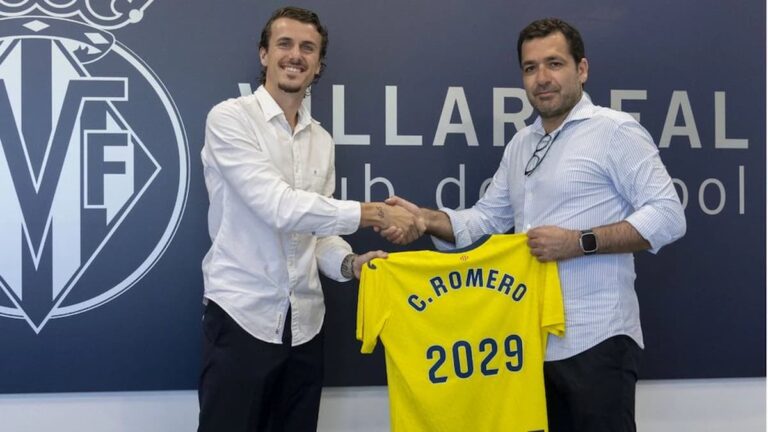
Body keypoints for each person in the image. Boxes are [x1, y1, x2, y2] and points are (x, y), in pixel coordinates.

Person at [383, 18, 686, 432]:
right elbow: (487, 219)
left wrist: (579, 242)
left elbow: (668, 215)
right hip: (530, 344)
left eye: (554, 64)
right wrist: (424, 219)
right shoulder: (522, 144)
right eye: (530, 68)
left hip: (598, 338)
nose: (542, 78)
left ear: (581, 69)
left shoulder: (615, 131)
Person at [198, 6, 422, 432]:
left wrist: (352, 264)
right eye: (284, 44)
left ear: (318, 64)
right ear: (264, 54)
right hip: (241, 319)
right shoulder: (230, 119)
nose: (295, 55)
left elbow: (316, 235)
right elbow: (277, 206)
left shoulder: (321, 140)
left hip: (305, 327)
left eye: (308, 48)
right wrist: (370, 213)